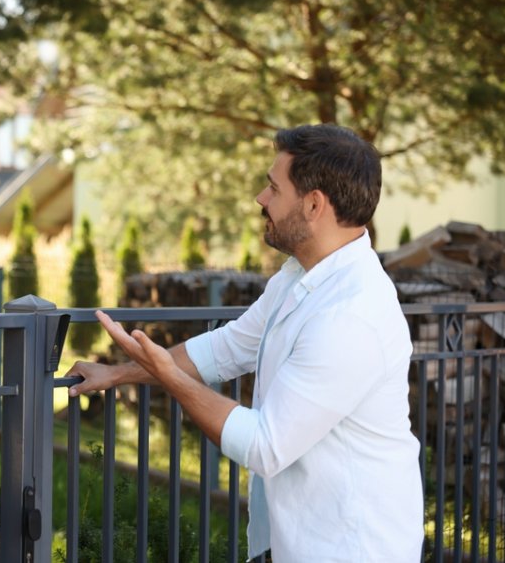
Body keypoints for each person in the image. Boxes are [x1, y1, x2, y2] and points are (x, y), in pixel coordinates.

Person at [66, 124, 424, 562]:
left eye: (274, 188)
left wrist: (171, 379)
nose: (261, 198)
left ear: (314, 204)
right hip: (293, 543)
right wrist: (117, 373)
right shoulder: (300, 276)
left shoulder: (351, 316)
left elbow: (264, 446)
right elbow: (228, 348)